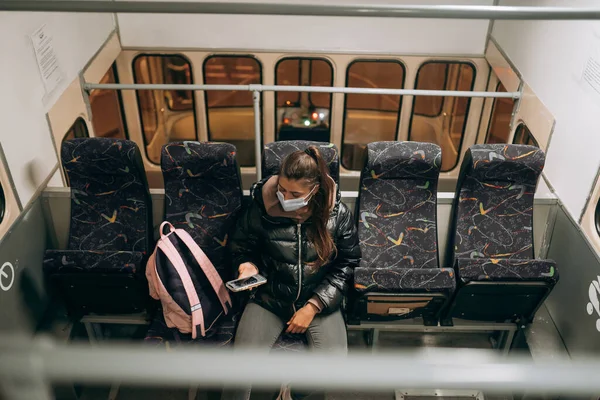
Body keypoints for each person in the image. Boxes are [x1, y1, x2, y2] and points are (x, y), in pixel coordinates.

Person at [222, 145, 361, 400]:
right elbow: (240, 248)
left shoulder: (336, 214)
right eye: (281, 189)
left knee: (337, 373)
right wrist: (246, 266)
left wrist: (314, 305)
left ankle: (291, 392)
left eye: (294, 193)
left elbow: (348, 263)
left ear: (314, 190)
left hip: (318, 298)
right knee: (238, 373)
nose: (285, 197)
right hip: (270, 297)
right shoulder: (261, 209)